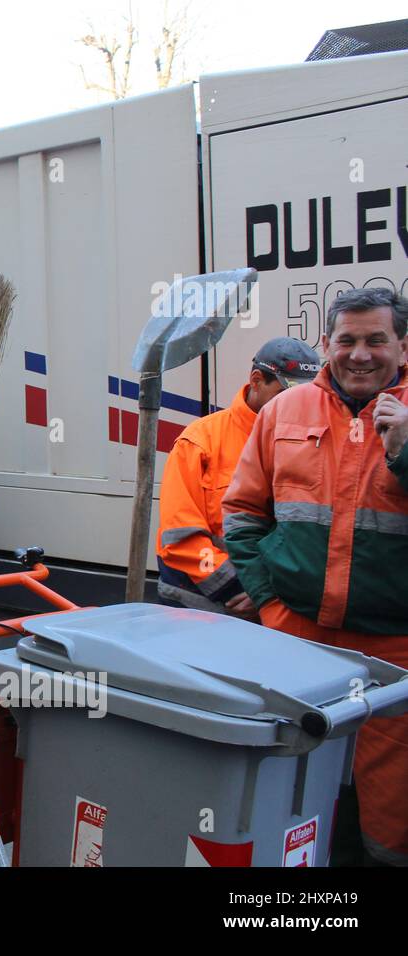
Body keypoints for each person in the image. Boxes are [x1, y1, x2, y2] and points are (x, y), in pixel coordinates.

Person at [223, 287, 408, 866]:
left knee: (388, 817)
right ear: (326, 344)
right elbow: (244, 514)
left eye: (376, 340)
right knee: (292, 795)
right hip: (297, 642)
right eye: (346, 340)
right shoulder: (284, 411)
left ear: (402, 345)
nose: (360, 354)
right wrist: (271, 606)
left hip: (396, 654)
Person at [157, 337, 321, 614]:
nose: (298, 405)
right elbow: (180, 539)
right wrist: (242, 587)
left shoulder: (313, 441)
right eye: (287, 394)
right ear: (256, 380)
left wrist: (268, 589)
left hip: (277, 603)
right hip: (201, 613)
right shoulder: (200, 441)